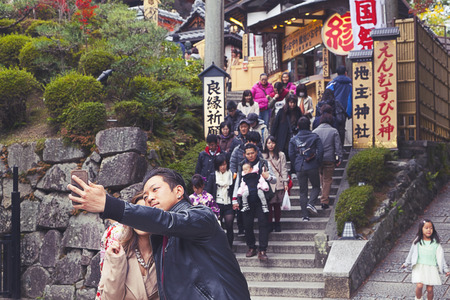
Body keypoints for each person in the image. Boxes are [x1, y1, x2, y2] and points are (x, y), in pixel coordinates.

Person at [68, 168, 251, 300]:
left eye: (155, 190)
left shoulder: (201, 216)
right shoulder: (160, 238)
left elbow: (167, 221)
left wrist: (109, 205)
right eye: (146, 195)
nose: (149, 198)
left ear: (179, 191)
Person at [96, 193, 159, 300]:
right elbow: (110, 298)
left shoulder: (166, 252)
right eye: (137, 214)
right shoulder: (117, 252)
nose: (141, 219)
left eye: (147, 212)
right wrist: (118, 262)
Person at [232, 143, 276, 261]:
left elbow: (274, 179)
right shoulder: (242, 165)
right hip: (247, 199)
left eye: (252, 153)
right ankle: (251, 247)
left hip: (261, 200)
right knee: (247, 224)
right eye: (248, 154)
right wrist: (235, 199)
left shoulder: (264, 163)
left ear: (256, 152)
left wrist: (268, 177)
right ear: (244, 154)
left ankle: (262, 250)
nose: (250, 156)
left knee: (263, 223)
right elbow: (237, 183)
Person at [401, 219, 449, 300]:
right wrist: (406, 263)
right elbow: (411, 253)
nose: (429, 230)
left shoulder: (435, 243)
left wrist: (446, 269)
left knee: (430, 289)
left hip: (431, 268)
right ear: (421, 229)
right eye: (426, 228)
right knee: (419, 286)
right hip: (419, 267)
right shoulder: (417, 242)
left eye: (431, 228)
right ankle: (418, 298)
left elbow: (441, 257)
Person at [289, 117, 324, 222]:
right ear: (309, 125)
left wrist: (296, 164)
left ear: (298, 126)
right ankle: (311, 203)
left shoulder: (293, 139)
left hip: (300, 166)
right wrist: (317, 162)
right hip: (312, 165)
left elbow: (291, 154)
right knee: (316, 186)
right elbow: (321, 151)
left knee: (303, 191)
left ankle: (305, 216)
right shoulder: (314, 137)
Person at [312, 112, 342, 210]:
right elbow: (338, 146)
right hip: (329, 158)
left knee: (321, 177)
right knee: (327, 179)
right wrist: (339, 157)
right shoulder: (334, 131)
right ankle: (324, 201)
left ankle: (323, 195)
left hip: (318, 159)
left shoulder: (315, 131)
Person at [205, 154, 235, 248]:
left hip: (228, 202)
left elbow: (235, 189)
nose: (223, 167)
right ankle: (220, 247)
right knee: (218, 227)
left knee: (229, 224)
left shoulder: (231, 175)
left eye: (225, 164)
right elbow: (208, 191)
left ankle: (230, 246)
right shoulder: (213, 176)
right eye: (221, 165)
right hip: (217, 204)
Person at [262, 136, 289, 232]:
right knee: (269, 205)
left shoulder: (281, 154)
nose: (270, 145)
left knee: (277, 205)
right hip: (268, 183)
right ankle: (269, 224)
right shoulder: (263, 155)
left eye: (272, 143)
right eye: (268, 143)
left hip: (278, 182)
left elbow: (284, 169)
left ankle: (277, 223)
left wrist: (285, 182)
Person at [271, 94, 303, 162]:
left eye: (294, 103)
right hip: (283, 136)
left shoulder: (298, 111)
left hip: (294, 135)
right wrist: (272, 136)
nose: (292, 104)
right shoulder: (282, 111)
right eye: (291, 102)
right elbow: (275, 125)